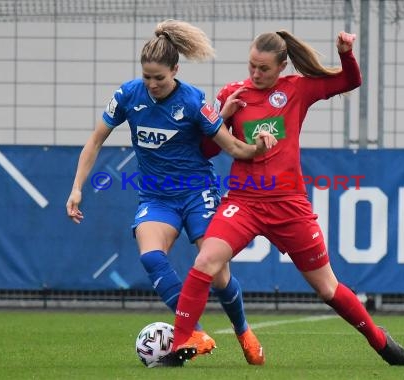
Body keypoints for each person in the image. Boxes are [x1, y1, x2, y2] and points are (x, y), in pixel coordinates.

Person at [159, 30, 404, 367]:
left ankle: (379, 340)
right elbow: (205, 149)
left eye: (264, 68)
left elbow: (350, 81)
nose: (256, 73)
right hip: (244, 202)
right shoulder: (233, 94)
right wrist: (224, 116)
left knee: (327, 288)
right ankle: (179, 345)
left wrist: (345, 53)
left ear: (282, 67)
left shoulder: (296, 89)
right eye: (252, 65)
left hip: (289, 205)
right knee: (206, 261)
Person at [65, 20, 276, 359]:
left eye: (159, 78)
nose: (152, 84)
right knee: (150, 255)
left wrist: (258, 149)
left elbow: (232, 147)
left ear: (175, 70)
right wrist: (77, 188)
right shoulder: (128, 94)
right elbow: (95, 141)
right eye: (147, 76)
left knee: (219, 275)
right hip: (156, 197)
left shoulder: (193, 100)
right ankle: (194, 332)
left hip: (197, 194)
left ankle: (244, 332)